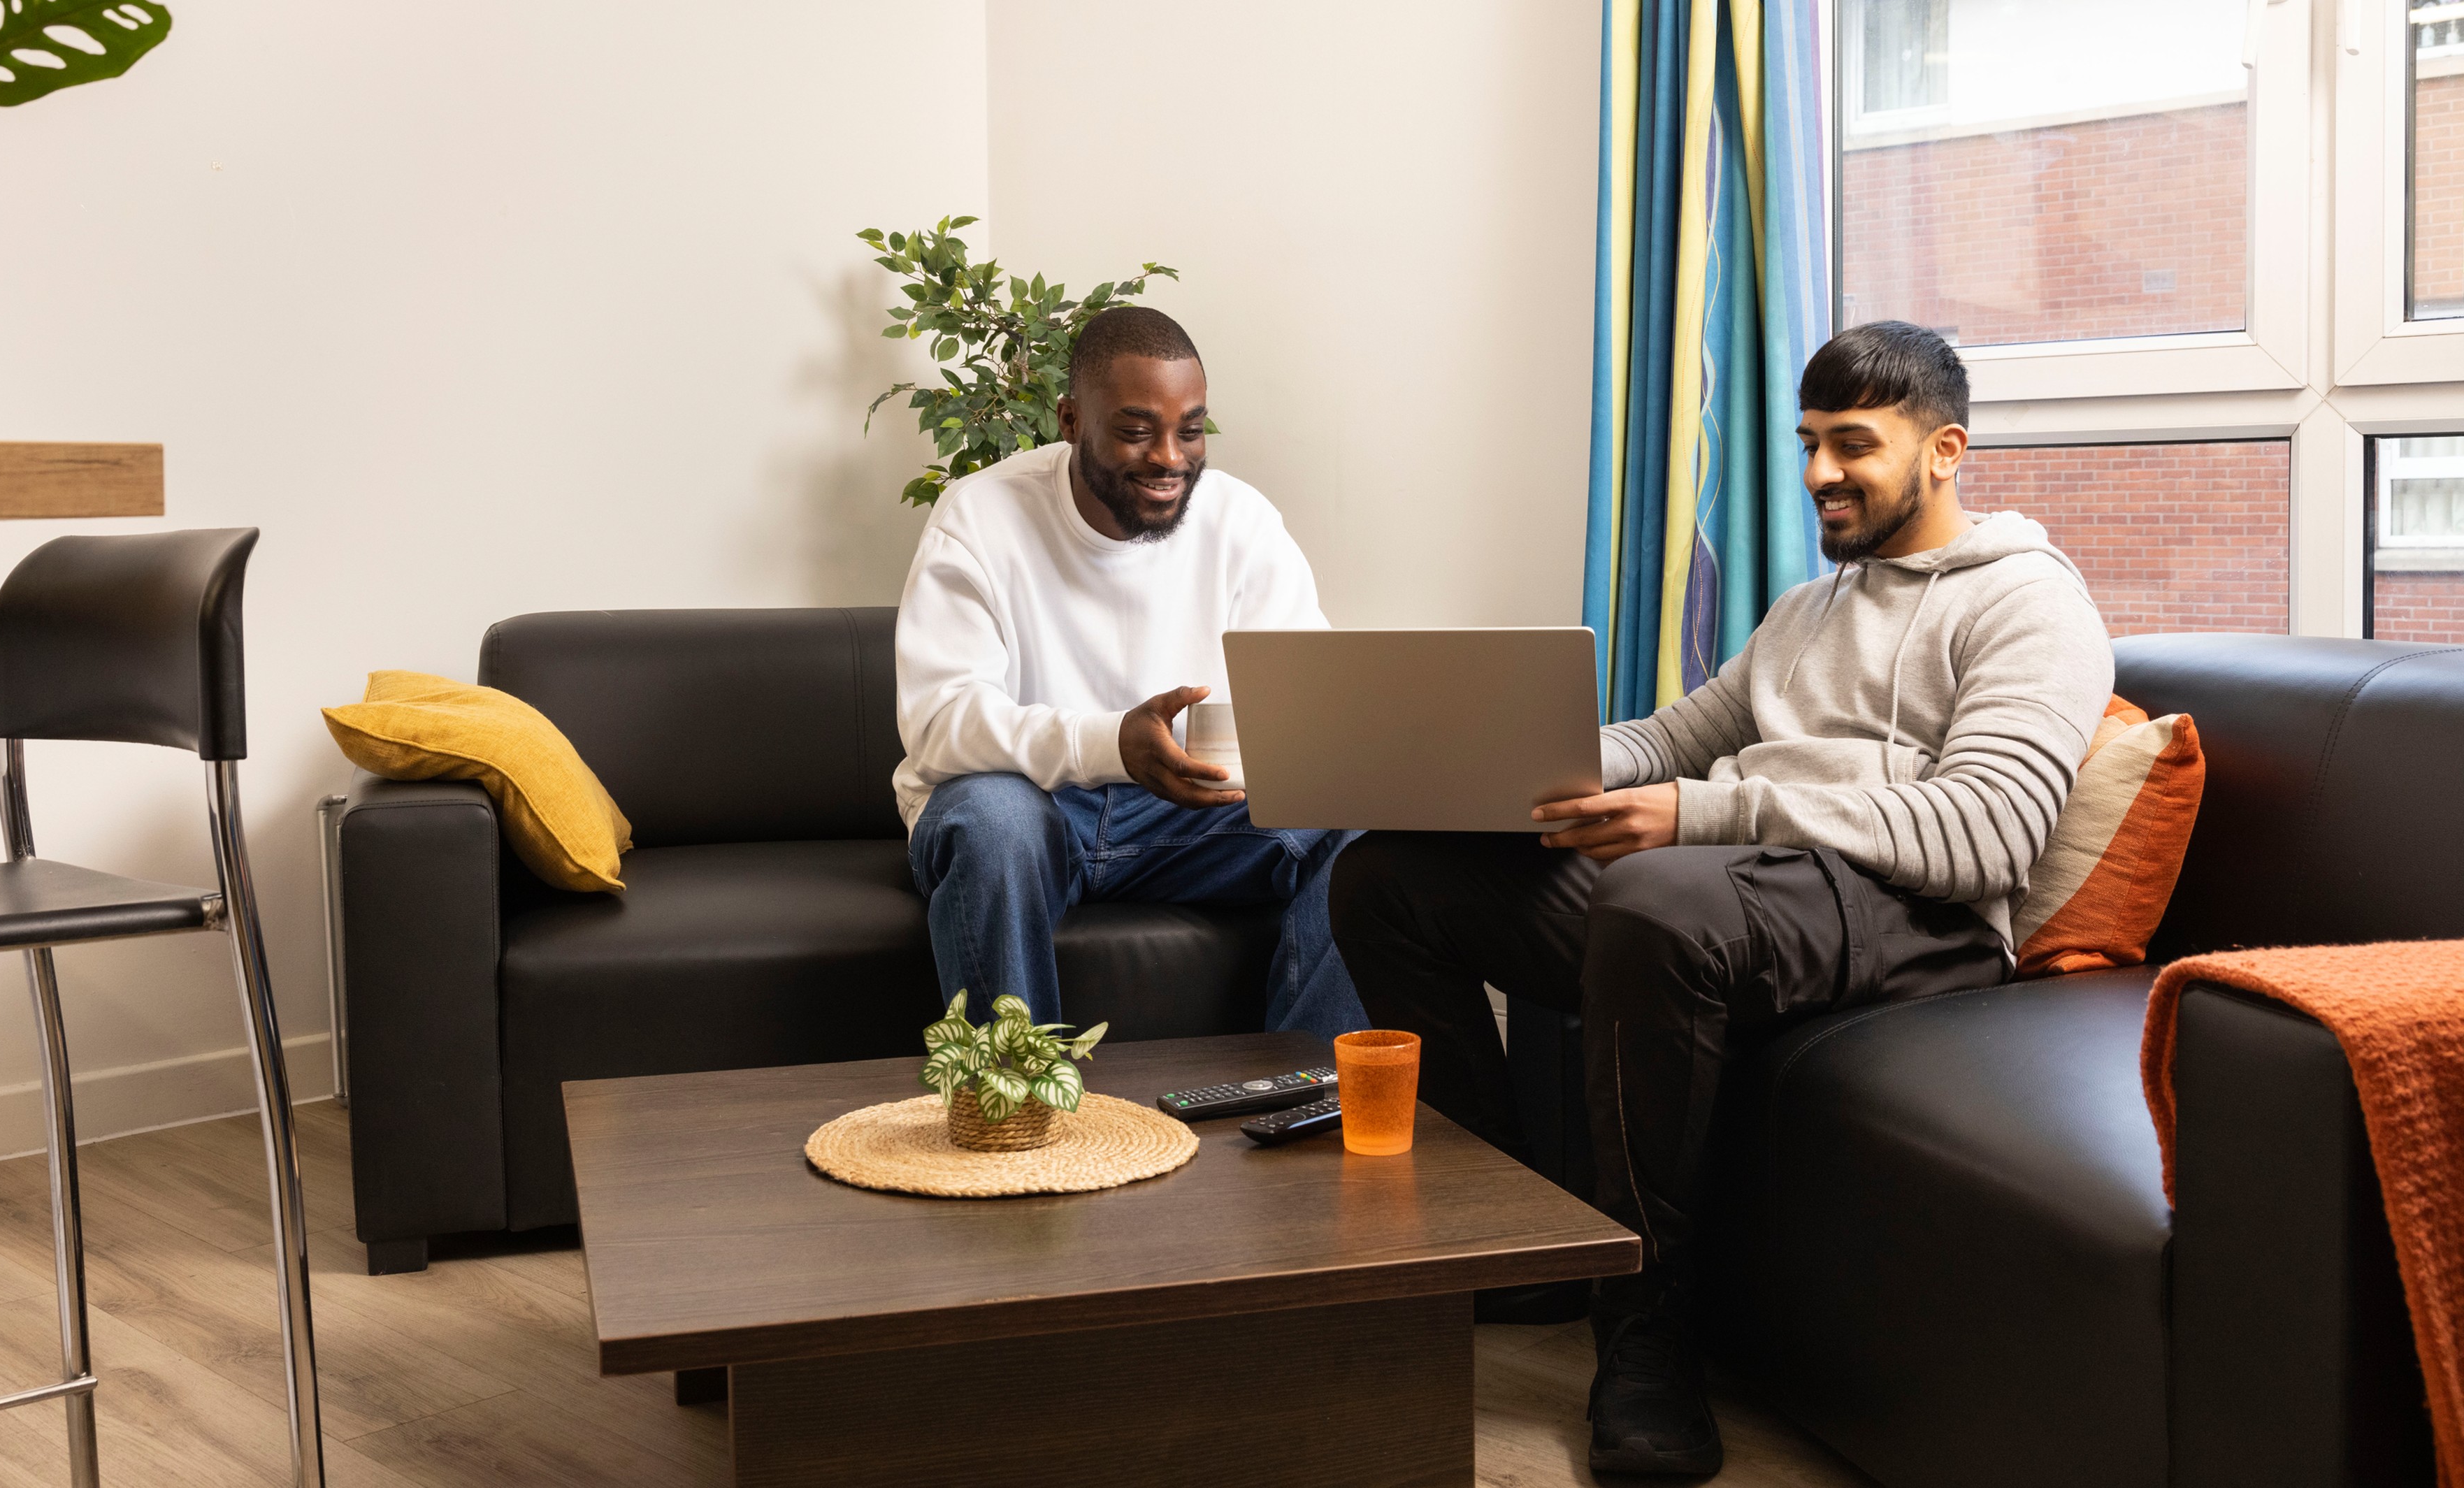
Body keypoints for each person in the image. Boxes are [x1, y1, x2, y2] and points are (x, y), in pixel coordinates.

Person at [1328, 321, 2112, 1477]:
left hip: (1906, 919)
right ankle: (1516, 1247)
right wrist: (1503, 766)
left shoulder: (2028, 606)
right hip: (1738, 898)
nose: (1818, 475)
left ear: (1946, 450)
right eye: (1807, 443)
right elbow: (1669, 739)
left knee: (1656, 903)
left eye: (1854, 444)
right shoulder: (1809, 611)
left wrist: (1701, 814)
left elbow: (1986, 837)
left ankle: (1646, 1339)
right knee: (1389, 876)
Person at [894, 305, 1367, 1037]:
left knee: (1361, 814)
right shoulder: (980, 517)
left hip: (1184, 818)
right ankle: (1016, 1109)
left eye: (1191, 428)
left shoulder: (1241, 522)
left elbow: (1313, 704)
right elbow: (938, 723)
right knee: (994, 820)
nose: (1171, 457)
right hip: (1032, 810)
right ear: (1070, 419)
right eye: (1137, 430)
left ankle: (1300, 1096)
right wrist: (1113, 743)